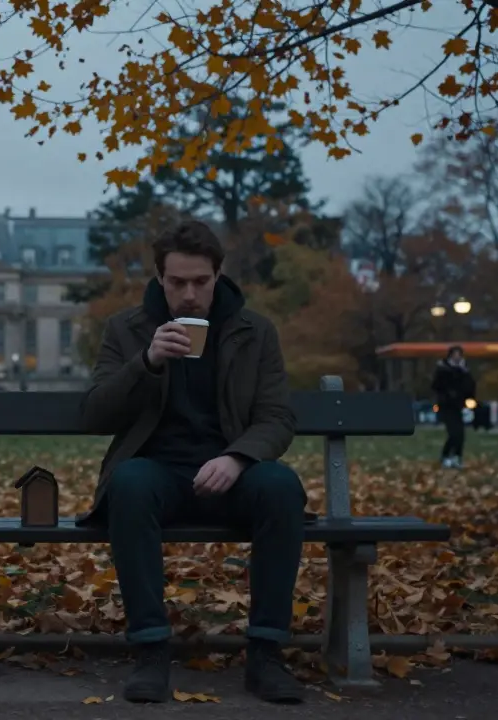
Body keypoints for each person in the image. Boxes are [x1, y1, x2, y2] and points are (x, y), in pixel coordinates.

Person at [77, 220, 305, 705]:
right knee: (130, 483)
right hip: (159, 475)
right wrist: (147, 362)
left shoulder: (254, 331)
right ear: (160, 279)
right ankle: (151, 651)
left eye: (200, 281)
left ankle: (266, 653)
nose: (188, 294)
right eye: (177, 282)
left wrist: (239, 457)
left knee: (281, 488)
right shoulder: (127, 328)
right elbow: (96, 412)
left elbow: (277, 417)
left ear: (218, 275)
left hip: (232, 474)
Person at [431, 345, 476, 468]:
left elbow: (470, 387)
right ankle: (446, 455)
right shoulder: (442, 369)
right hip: (447, 406)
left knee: (461, 434)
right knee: (453, 433)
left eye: (459, 355)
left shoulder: (464, 370)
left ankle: (457, 456)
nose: (457, 357)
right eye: (455, 354)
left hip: (459, 406)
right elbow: (436, 386)